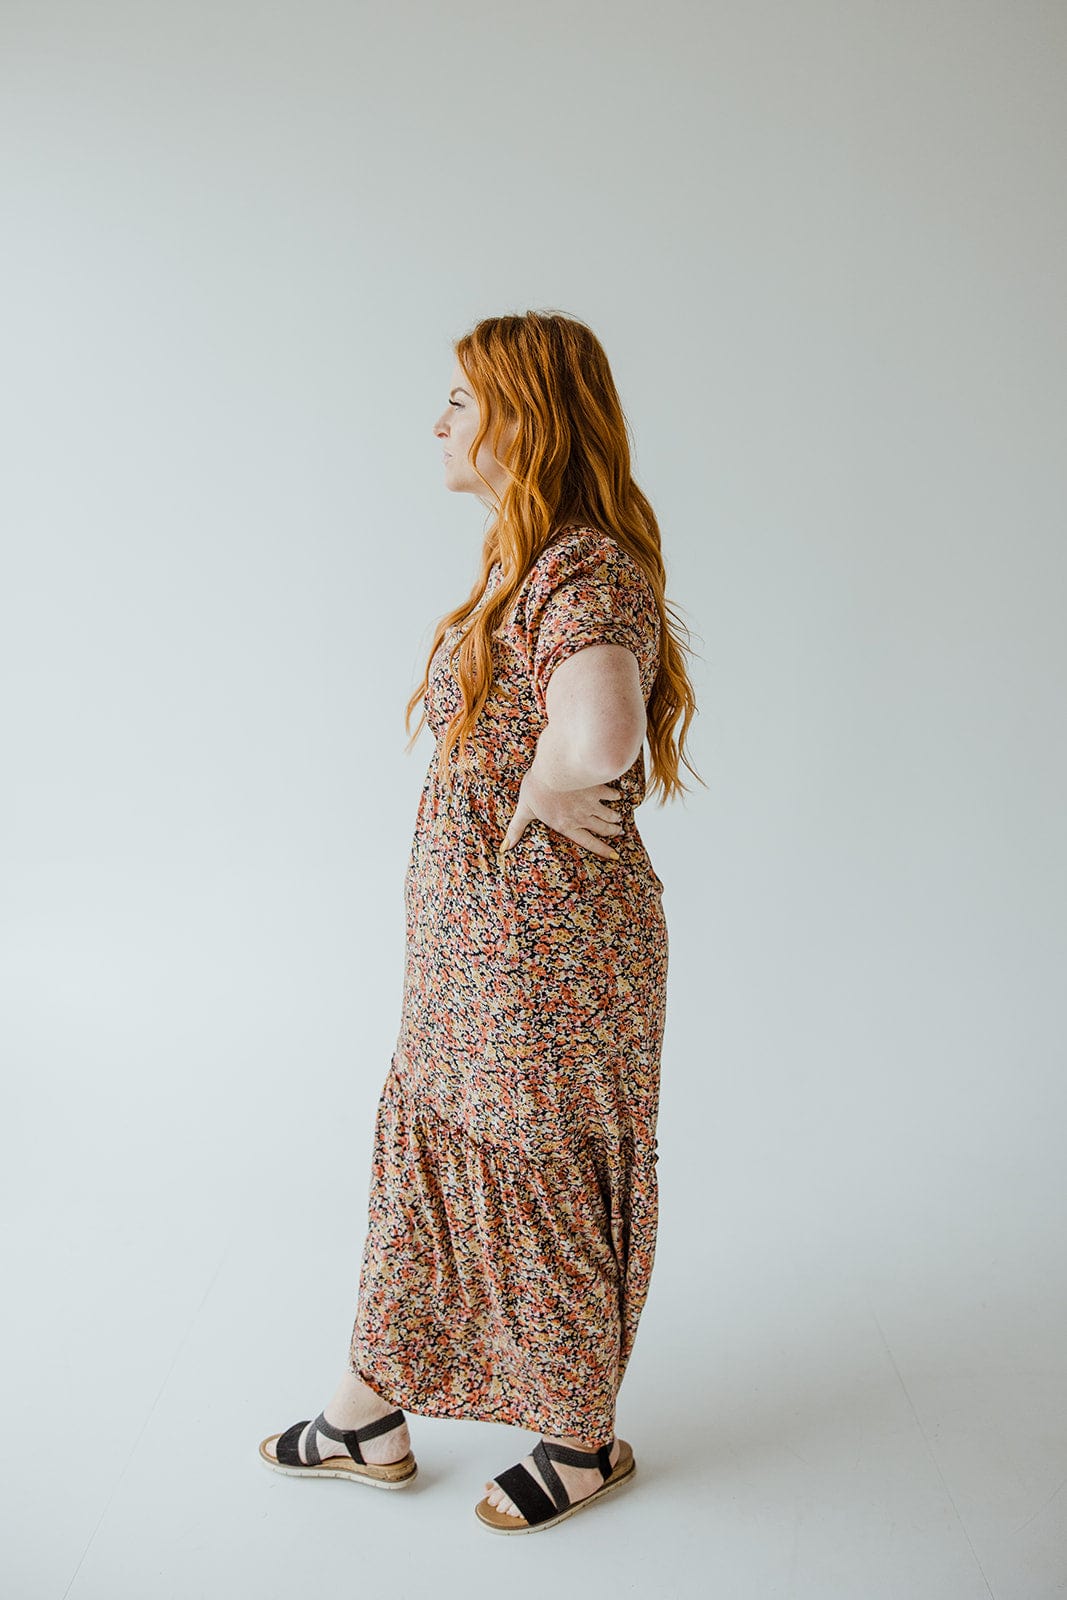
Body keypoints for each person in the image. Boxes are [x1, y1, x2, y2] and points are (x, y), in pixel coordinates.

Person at [259, 309, 700, 1534]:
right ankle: (364, 1411)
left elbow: (600, 726)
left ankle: (578, 1440)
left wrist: (550, 782)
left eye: (462, 396)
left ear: (525, 419)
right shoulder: (532, 560)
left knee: (534, 1171)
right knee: (428, 1161)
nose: (440, 417)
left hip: (546, 962)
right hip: (485, 961)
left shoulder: (580, 566)